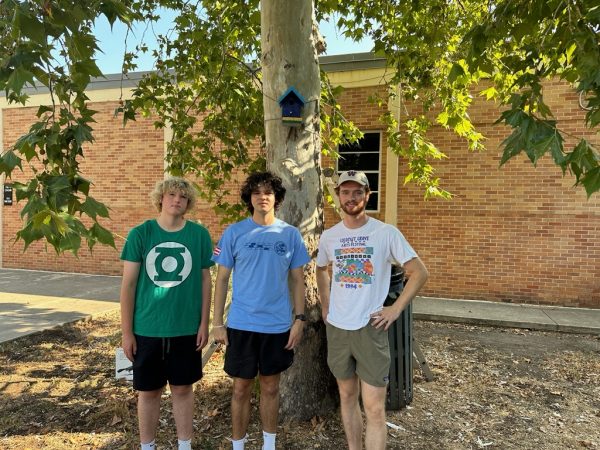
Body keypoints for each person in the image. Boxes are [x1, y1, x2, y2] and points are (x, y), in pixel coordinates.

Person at [316, 170, 429, 450]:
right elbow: (320, 269)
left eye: (357, 192)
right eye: (345, 192)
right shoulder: (330, 237)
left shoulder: (384, 233)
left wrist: (394, 309)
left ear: (367, 195)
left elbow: (419, 273)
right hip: (339, 328)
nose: (351, 198)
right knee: (346, 396)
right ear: (338, 196)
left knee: (375, 408)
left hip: (371, 328)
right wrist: (326, 304)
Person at [212, 171, 310, 450]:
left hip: (277, 326)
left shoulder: (289, 235)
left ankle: (269, 445)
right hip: (242, 324)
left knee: (270, 387)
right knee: (241, 388)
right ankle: (238, 445)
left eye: (268, 192)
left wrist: (299, 319)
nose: (262, 196)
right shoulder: (234, 232)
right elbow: (221, 279)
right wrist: (217, 323)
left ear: (276, 198)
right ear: (249, 198)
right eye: (256, 192)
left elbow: (298, 280)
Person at [120, 177, 215, 450]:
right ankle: (147, 446)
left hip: (185, 328)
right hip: (147, 328)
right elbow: (127, 285)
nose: (177, 200)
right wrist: (127, 332)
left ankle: (184, 445)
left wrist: (203, 322)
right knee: (148, 392)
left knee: (183, 389)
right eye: (172, 194)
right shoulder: (141, 234)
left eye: (183, 197)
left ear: (188, 203)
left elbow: (205, 279)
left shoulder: (199, 235)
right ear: (161, 198)